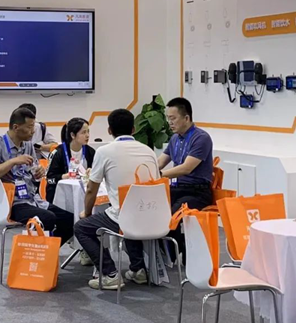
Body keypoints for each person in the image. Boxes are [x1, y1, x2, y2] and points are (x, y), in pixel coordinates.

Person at [74, 109, 160, 290]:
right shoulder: (149, 151)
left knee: (82, 227)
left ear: (109, 130)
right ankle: (138, 270)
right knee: (127, 216)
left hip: (125, 216)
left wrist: (87, 213)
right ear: (133, 129)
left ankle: (110, 274)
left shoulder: (104, 152)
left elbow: (91, 189)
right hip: (153, 216)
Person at [0, 107, 74, 245]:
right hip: (13, 203)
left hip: (33, 199)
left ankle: (47, 251)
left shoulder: (28, 145)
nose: (33, 131)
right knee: (47, 218)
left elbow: (33, 170)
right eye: (29, 127)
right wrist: (13, 161)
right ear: (16, 127)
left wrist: (38, 172)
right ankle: (40, 251)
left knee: (70, 220)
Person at [157, 97, 213, 258]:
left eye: (173, 118)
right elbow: (160, 162)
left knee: (171, 217)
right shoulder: (175, 138)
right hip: (176, 188)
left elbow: (187, 168)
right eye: (168, 118)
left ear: (186, 118)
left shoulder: (201, 138)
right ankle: (172, 251)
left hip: (196, 191)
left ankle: (179, 249)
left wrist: (160, 175)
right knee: (154, 211)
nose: (170, 123)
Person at [46, 117, 96, 204]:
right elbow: (50, 179)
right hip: (62, 196)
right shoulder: (58, 153)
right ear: (72, 135)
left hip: (84, 193)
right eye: (83, 132)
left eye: (88, 131)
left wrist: (92, 172)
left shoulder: (91, 152)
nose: (87, 135)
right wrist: (64, 176)